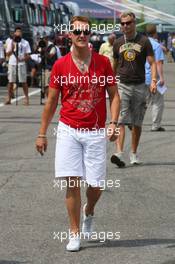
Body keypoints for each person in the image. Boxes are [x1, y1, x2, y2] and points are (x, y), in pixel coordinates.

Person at [35, 16, 120, 251]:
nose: (81, 35)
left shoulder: (102, 63)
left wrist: (113, 122)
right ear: (69, 35)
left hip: (94, 132)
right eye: (76, 32)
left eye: (85, 32)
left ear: (89, 35)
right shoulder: (61, 65)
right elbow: (51, 102)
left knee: (96, 185)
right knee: (71, 182)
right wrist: (42, 133)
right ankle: (74, 233)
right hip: (68, 130)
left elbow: (114, 96)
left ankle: (89, 211)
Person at [111, 11, 157, 167]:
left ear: (134, 23)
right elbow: (114, 65)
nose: (125, 26)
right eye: (123, 23)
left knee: (137, 122)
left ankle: (134, 153)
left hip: (139, 85)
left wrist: (154, 81)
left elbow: (152, 63)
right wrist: (111, 82)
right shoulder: (117, 43)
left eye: (128, 23)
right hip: (122, 84)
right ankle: (119, 153)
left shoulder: (144, 41)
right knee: (120, 120)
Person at [145, 24, 165, 132]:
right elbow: (158, 63)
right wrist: (161, 78)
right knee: (157, 102)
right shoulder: (156, 46)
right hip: (153, 78)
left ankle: (135, 123)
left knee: (142, 102)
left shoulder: (141, 43)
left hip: (141, 78)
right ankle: (155, 125)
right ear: (155, 33)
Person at [5, 27, 31, 105]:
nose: (18, 33)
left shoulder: (25, 42)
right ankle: (9, 98)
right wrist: (12, 48)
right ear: (15, 33)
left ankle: (26, 98)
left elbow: (28, 55)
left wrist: (23, 59)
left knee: (23, 82)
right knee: (10, 82)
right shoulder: (11, 42)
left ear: (21, 33)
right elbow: (8, 54)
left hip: (21, 63)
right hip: (12, 63)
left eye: (20, 32)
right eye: (17, 32)